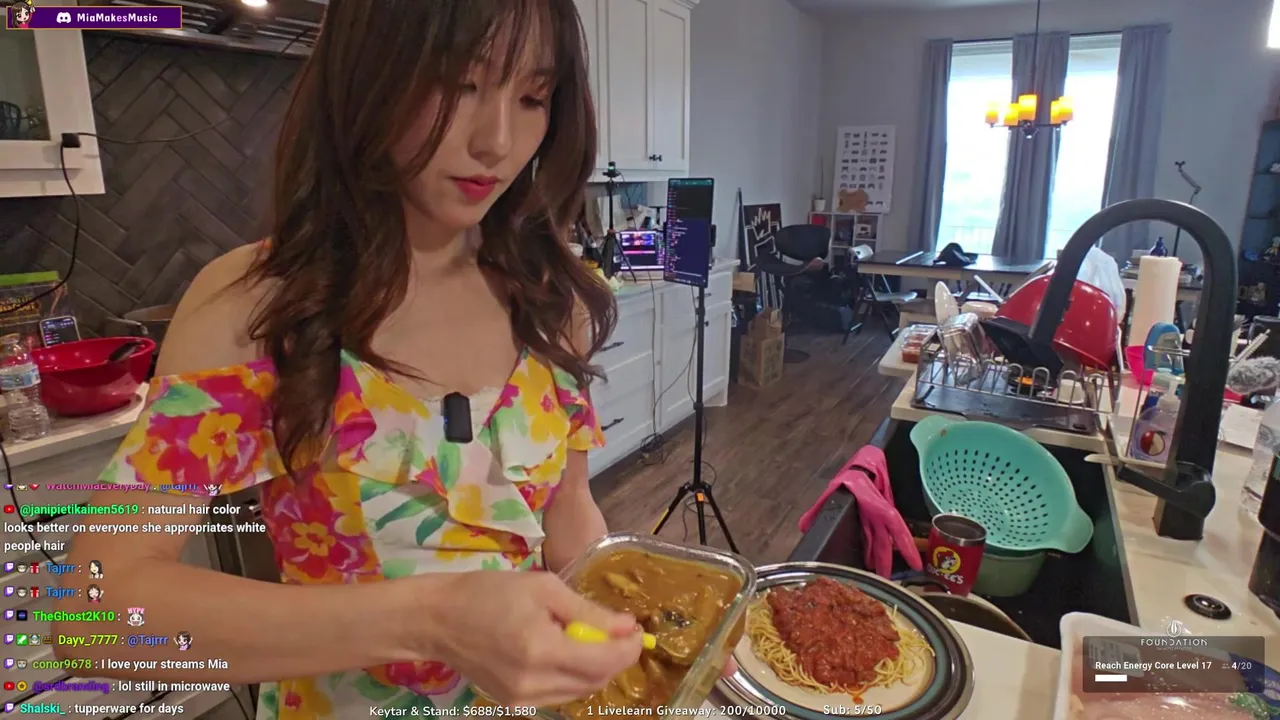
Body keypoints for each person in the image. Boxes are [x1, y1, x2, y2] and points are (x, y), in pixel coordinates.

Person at [51, 1, 647, 716]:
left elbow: (569, 515)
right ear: (369, 76)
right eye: (458, 84)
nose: (496, 141)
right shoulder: (258, 307)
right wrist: (431, 619)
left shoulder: (550, 300)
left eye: (532, 98)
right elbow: (93, 617)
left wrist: (627, 631)